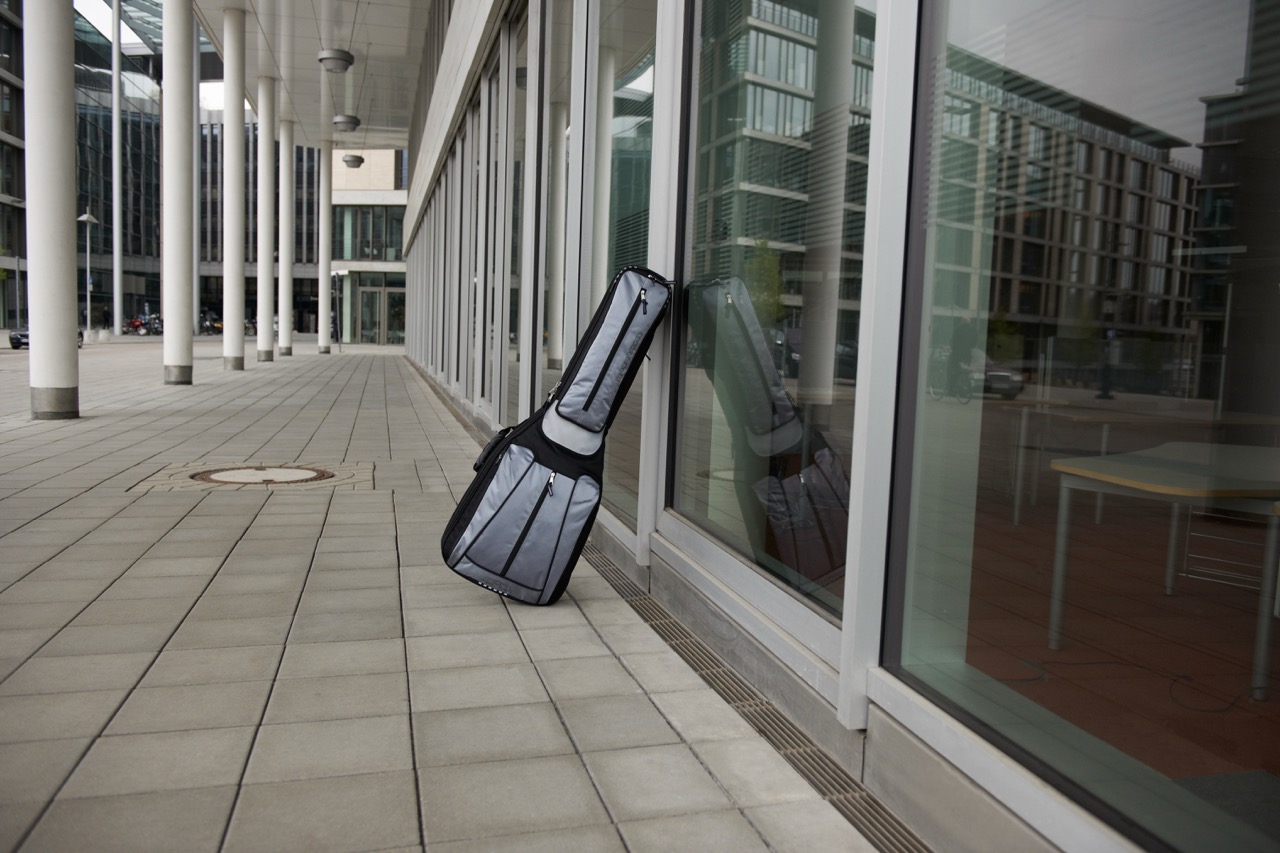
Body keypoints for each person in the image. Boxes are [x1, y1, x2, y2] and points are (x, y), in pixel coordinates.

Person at [949, 316, 976, 394]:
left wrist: (954, 348)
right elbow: (974, 343)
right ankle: (967, 386)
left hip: (957, 354)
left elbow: (953, 340)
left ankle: (951, 388)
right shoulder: (973, 330)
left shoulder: (958, 329)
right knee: (966, 370)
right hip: (967, 354)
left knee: (954, 370)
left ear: (962, 322)